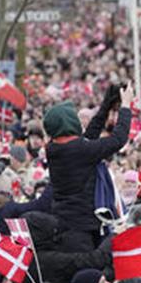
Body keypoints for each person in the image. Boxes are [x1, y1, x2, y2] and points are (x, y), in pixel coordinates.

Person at [43, 83, 132, 247]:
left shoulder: (56, 147)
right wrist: (125, 106)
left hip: (68, 222)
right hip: (80, 229)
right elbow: (118, 140)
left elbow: (89, 136)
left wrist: (107, 104)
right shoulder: (79, 150)